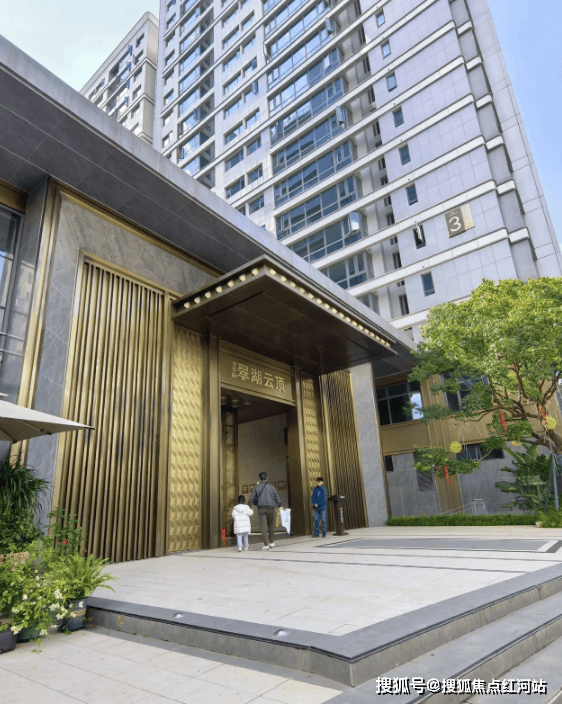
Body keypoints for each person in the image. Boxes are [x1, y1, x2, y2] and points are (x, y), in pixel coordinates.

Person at [249, 472, 282, 550]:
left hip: (261, 508)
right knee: (271, 525)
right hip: (271, 508)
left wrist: (249, 506)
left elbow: (252, 497)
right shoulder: (271, 487)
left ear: (259, 478)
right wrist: (279, 504)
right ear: (266, 478)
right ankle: (272, 542)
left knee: (263, 527)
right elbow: (276, 496)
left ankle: (266, 544)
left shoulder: (256, 487)